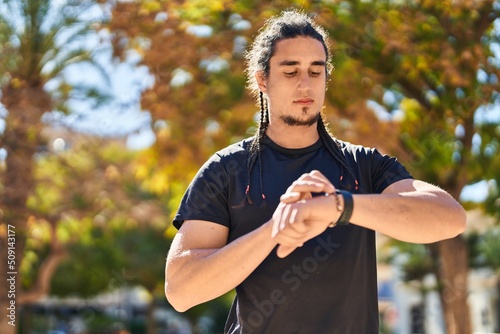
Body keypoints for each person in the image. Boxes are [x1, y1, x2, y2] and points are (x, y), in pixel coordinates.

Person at [164, 10, 466, 333]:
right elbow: (181, 290)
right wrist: (275, 231)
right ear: (262, 79)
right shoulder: (226, 172)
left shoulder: (363, 166)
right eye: (291, 72)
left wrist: (340, 206)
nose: (305, 84)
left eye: (316, 71)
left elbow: (451, 218)